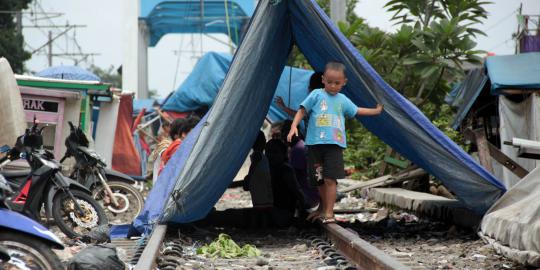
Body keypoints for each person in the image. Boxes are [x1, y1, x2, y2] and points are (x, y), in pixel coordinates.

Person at [287, 61, 383, 224]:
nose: (332, 86)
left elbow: (357, 110)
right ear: (323, 80)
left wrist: (376, 111)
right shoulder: (316, 94)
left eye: (337, 83)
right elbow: (302, 110)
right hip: (315, 146)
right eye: (329, 82)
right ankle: (323, 209)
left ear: (343, 83)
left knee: (330, 179)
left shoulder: (342, 100)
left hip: (334, 146)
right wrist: (293, 126)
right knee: (319, 180)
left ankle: (329, 213)